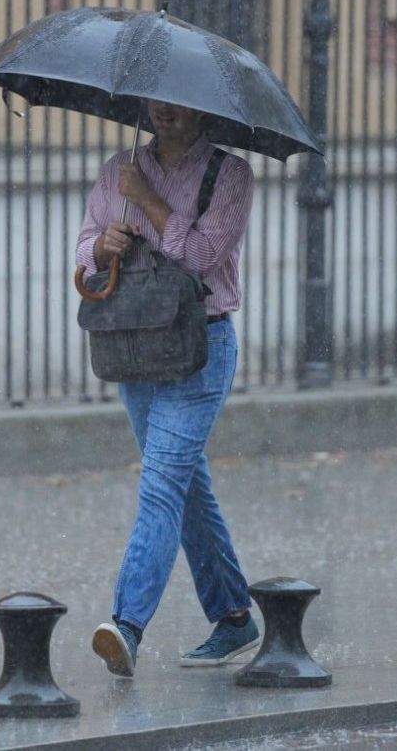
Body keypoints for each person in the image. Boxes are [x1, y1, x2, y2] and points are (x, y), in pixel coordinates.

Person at [74, 98, 259, 678]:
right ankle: (234, 617)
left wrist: (150, 204)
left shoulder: (229, 175)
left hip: (200, 349)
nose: (165, 111)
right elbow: (82, 256)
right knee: (184, 485)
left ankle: (126, 625)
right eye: (157, 102)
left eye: (180, 103)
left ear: (205, 110)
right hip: (134, 345)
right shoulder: (117, 170)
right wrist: (102, 247)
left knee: (159, 485)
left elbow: (205, 256)